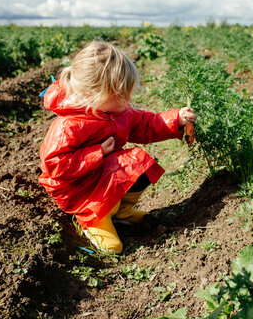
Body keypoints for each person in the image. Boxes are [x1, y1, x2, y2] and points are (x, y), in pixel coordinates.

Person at [38, 40, 196, 254]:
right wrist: (97, 153)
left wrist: (175, 119)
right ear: (93, 95)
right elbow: (56, 167)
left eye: (128, 92)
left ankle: (119, 211)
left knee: (138, 163)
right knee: (126, 166)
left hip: (99, 176)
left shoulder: (116, 111)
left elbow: (145, 124)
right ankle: (95, 219)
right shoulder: (68, 125)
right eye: (121, 94)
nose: (128, 100)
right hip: (76, 188)